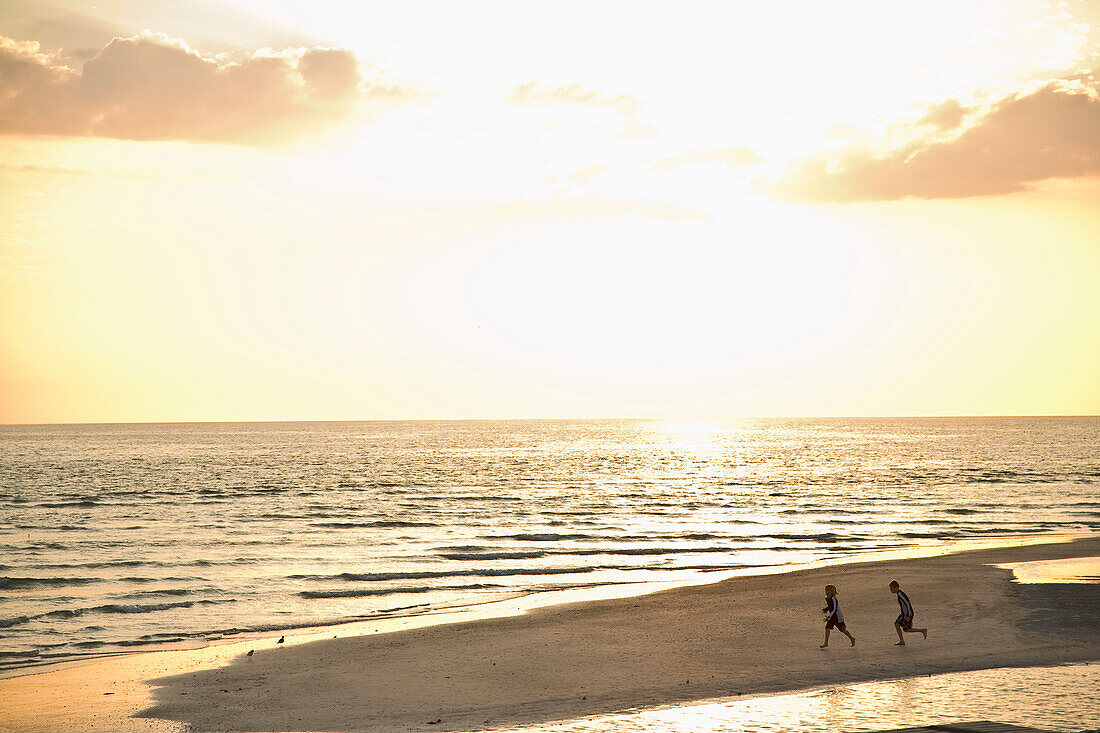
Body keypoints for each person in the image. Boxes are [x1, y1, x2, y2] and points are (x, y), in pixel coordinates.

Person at [890, 580, 928, 645]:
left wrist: (908, 615)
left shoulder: (900, 594)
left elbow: (907, 604)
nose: (891, 590)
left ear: (896, 587)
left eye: (891, 588)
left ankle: (902, 641)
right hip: (905, 614)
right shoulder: (899, 594)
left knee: (899, 625)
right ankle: (922, 630)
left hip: (907, 614)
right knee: (905, 628)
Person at [820, 584, 855, 648]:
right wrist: (826, 609)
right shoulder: (827, 598)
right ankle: (826, 643)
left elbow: (835, 609)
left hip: (837, 617)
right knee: (827, 628)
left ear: (832, 591)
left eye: (829, 590)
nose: (828, 592)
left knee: (842, 630)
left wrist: (829, 617)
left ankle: (852, 638)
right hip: (832, 616)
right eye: (827, 590)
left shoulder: (833, 598)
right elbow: (830, 606)